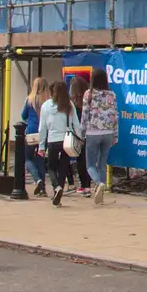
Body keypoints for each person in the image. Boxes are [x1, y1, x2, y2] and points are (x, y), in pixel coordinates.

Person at [36, 77, 83, 207]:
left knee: (51, 167)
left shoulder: (46, 106)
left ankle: (56, 187)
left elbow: (42, 128)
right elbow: (77, 125)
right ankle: (60, 190)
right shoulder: (69, 105)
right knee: (63, 167)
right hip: (67, 141)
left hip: (52, 140)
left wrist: (41, 145)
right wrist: (81, 139)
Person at [81, 66, 118, 205]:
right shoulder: (112, 95)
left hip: (92, 132)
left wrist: (82, 132)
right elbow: (115, 115)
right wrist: (115, 135)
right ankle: (100, 195)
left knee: (90, 164)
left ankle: (98, 183)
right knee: (102, 164)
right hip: (108, 133)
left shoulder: (88, 94)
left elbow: (85, 115)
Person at [19, 76, 47, 196]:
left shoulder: (29, 100)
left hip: (31, 132)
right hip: (43, 133)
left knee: (28, 159)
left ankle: (37, 179)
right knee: (40, 159)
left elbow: (23, 115)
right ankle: (43, 189)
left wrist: (30, 120)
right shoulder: (48, 100)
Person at [68, 74, 92, 196]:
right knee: (90, 160)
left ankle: (84, 185)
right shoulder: (90, 99)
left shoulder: (72, 104)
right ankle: (89, 183)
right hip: (92, 133)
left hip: (79, 135)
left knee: (81, 160)